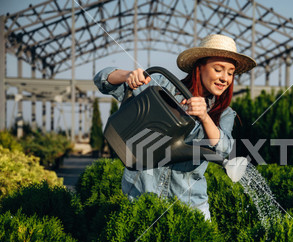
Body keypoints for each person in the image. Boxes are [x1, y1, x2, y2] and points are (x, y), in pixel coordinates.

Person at [94, 34, 256, 220]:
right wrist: (128, 75)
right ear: (199, 67)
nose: (224, 78)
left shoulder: (224, 113)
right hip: (140, 197)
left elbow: (224, 148)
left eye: (230, 72)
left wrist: (204, 116)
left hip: (190, 205)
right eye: (218, 69)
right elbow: (102, 80)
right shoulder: (162, 88)